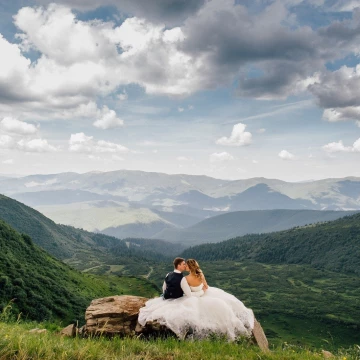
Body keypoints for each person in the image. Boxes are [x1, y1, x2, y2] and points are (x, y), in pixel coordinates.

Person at [138, 258, 254, 341]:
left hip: (192, 298)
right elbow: (206, 286)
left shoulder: (185, 279)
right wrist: (202, 292)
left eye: (186, 265)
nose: (185, 266)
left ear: (189, 267)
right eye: (183, 264)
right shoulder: (200, 274)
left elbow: (187, 294)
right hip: (205, 295)